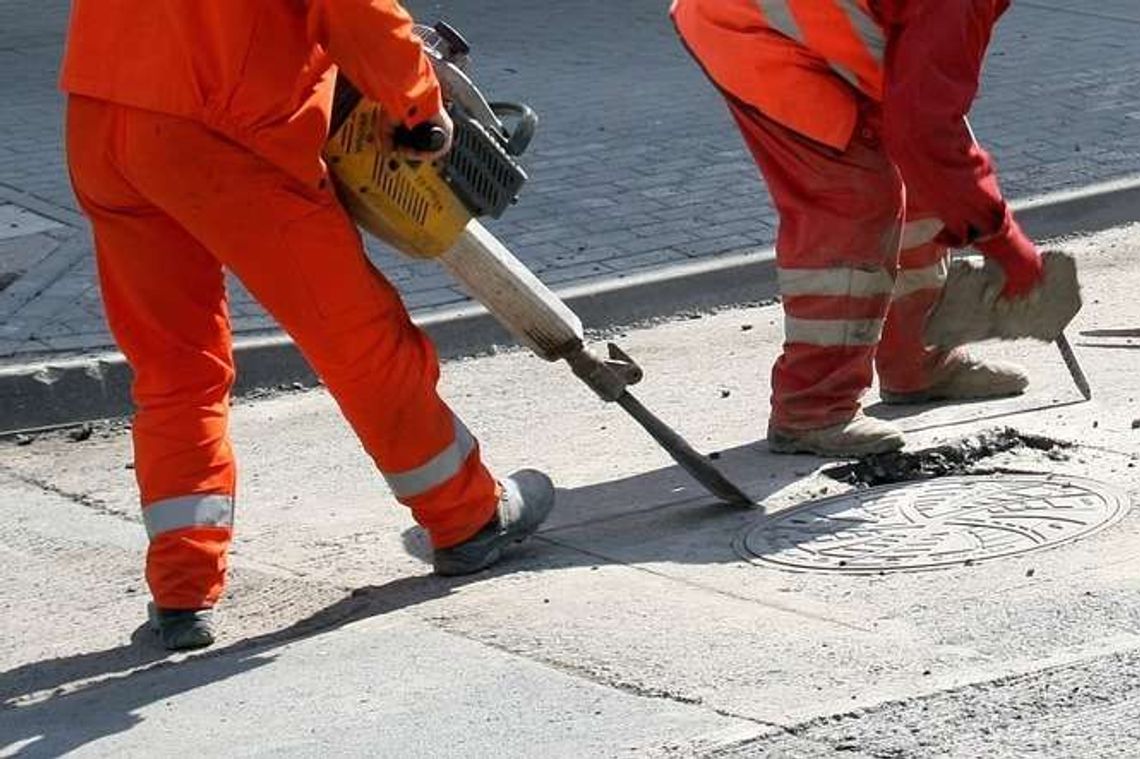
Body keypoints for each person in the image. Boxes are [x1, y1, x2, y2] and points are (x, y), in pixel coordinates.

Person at [61, 1, 554, 651]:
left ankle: (182, 590)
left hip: (102, 116)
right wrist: (417, 105)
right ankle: (466, 517)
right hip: (223, 129)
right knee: (357, 337)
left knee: (175, 364)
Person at [671, 0, 1042, 456]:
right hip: (753, 29)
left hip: (820, 33)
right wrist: (1005, 242)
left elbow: (925, 114)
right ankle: (812, 409)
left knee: (925, 186)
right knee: (853, 204)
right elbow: (926, 128)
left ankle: (919, 362)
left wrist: (965, 189)